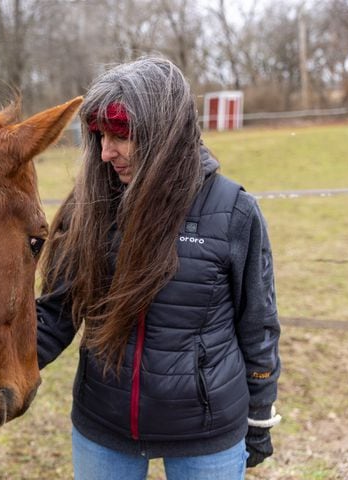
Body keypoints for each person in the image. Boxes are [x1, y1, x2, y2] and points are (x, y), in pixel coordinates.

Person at [35, 57, 281, 480]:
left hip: (207, 432)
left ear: (165, 134)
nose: (105, 152)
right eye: (99, 136)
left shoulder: (234, 211)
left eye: (121, 135)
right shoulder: (88, 208)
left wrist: (259, 416)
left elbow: (256, 324)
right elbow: (56, 313)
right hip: (103, 428)